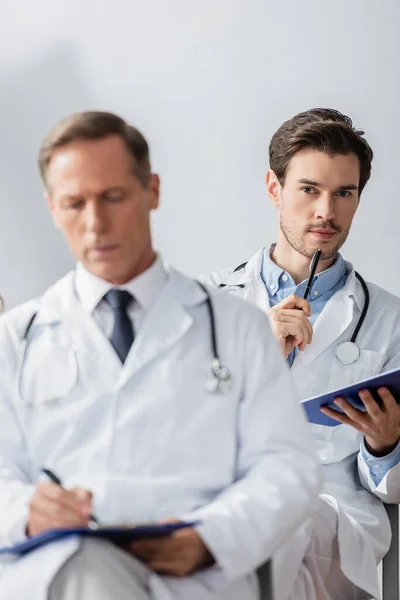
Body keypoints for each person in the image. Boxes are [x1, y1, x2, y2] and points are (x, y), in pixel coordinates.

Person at [0, 111, 321, 600]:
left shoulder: (236, 327)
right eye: (73, 204)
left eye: (113, 197)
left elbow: (288, 467)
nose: (94, 223)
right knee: (87, 572)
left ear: (152, 191)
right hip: (62, 570)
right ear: (51, 208)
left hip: (194, 578)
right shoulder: (16, 338)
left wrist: (211, 536)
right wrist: (26, 510)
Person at [203, 108, 400, 600]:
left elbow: (390, 490)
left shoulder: (389, 319)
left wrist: (384, 445)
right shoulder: (205, 306)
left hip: (332, 520)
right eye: (309, 189)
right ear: (275, 188)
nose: (325, 212)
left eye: (343, 193)